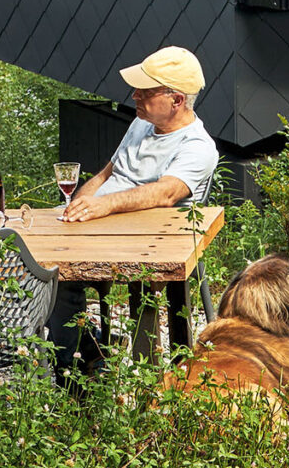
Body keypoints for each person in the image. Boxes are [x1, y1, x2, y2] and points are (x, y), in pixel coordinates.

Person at [49, 44, 218, 383]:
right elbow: (105, 175)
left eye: (146, 90)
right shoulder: (141, 123)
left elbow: (167, 193)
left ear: (177, 100)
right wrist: (77, 207)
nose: (135, 95)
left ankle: (71, 378)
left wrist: (103, 206)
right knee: (24, 257)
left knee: (56, 278)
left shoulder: (197, 146)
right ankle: (90, 351)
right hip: (98, 226)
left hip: (145, 242)